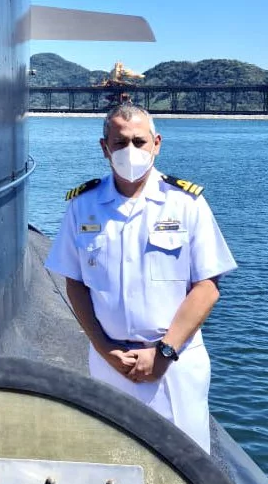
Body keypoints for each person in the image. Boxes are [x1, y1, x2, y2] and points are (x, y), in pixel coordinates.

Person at [45, 102, 236, 452]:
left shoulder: (185, 204)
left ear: (156, 143)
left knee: (184, 470)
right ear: (105, 148)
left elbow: (207, 287)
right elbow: (75, 284)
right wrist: (105, 349)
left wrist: (163, 352)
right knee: (113, 464)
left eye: (139, 141)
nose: (129, 151)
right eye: (119, 143)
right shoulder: (82, 206)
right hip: (110, 363)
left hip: (173, 365)